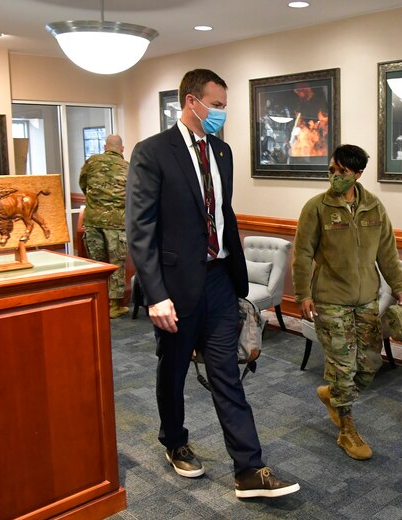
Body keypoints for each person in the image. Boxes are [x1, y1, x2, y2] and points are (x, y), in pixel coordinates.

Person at [126, 68, 299, 499]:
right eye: (217, 105)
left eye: (224, 106)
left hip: (221, 279)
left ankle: (249, 469)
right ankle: (174, 440)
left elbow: (223, 212)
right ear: (191, 101)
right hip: (177, 287)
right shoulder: (153, 153)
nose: (222, 113)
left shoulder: (221, 152)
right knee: (175, 368)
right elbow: (140, 228)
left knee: (226, 373)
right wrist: (156, 294)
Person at [292, 144, 402, 461]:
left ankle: (332, 395)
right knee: (343, 367)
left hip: (366, 299)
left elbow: (387, 251)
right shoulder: (316, 208)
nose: (335, 177)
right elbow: (302, 254)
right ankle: (347, 430)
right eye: (331, 170)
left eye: (342, 172)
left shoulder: (374, 207)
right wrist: (302, 293)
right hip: (330, 300)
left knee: (369, 364)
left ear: (357, 174)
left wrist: (399, 286)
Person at [79, 134, 129, 319]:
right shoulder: (128, 167)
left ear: (105, 146)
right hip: (117, 222)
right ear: (121, 149)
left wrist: (96, 201)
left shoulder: (92, 162)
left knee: (97, 264)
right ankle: (114, 305)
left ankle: (96, 301)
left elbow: (83, 184)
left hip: (92, 220)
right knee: (116, 263)